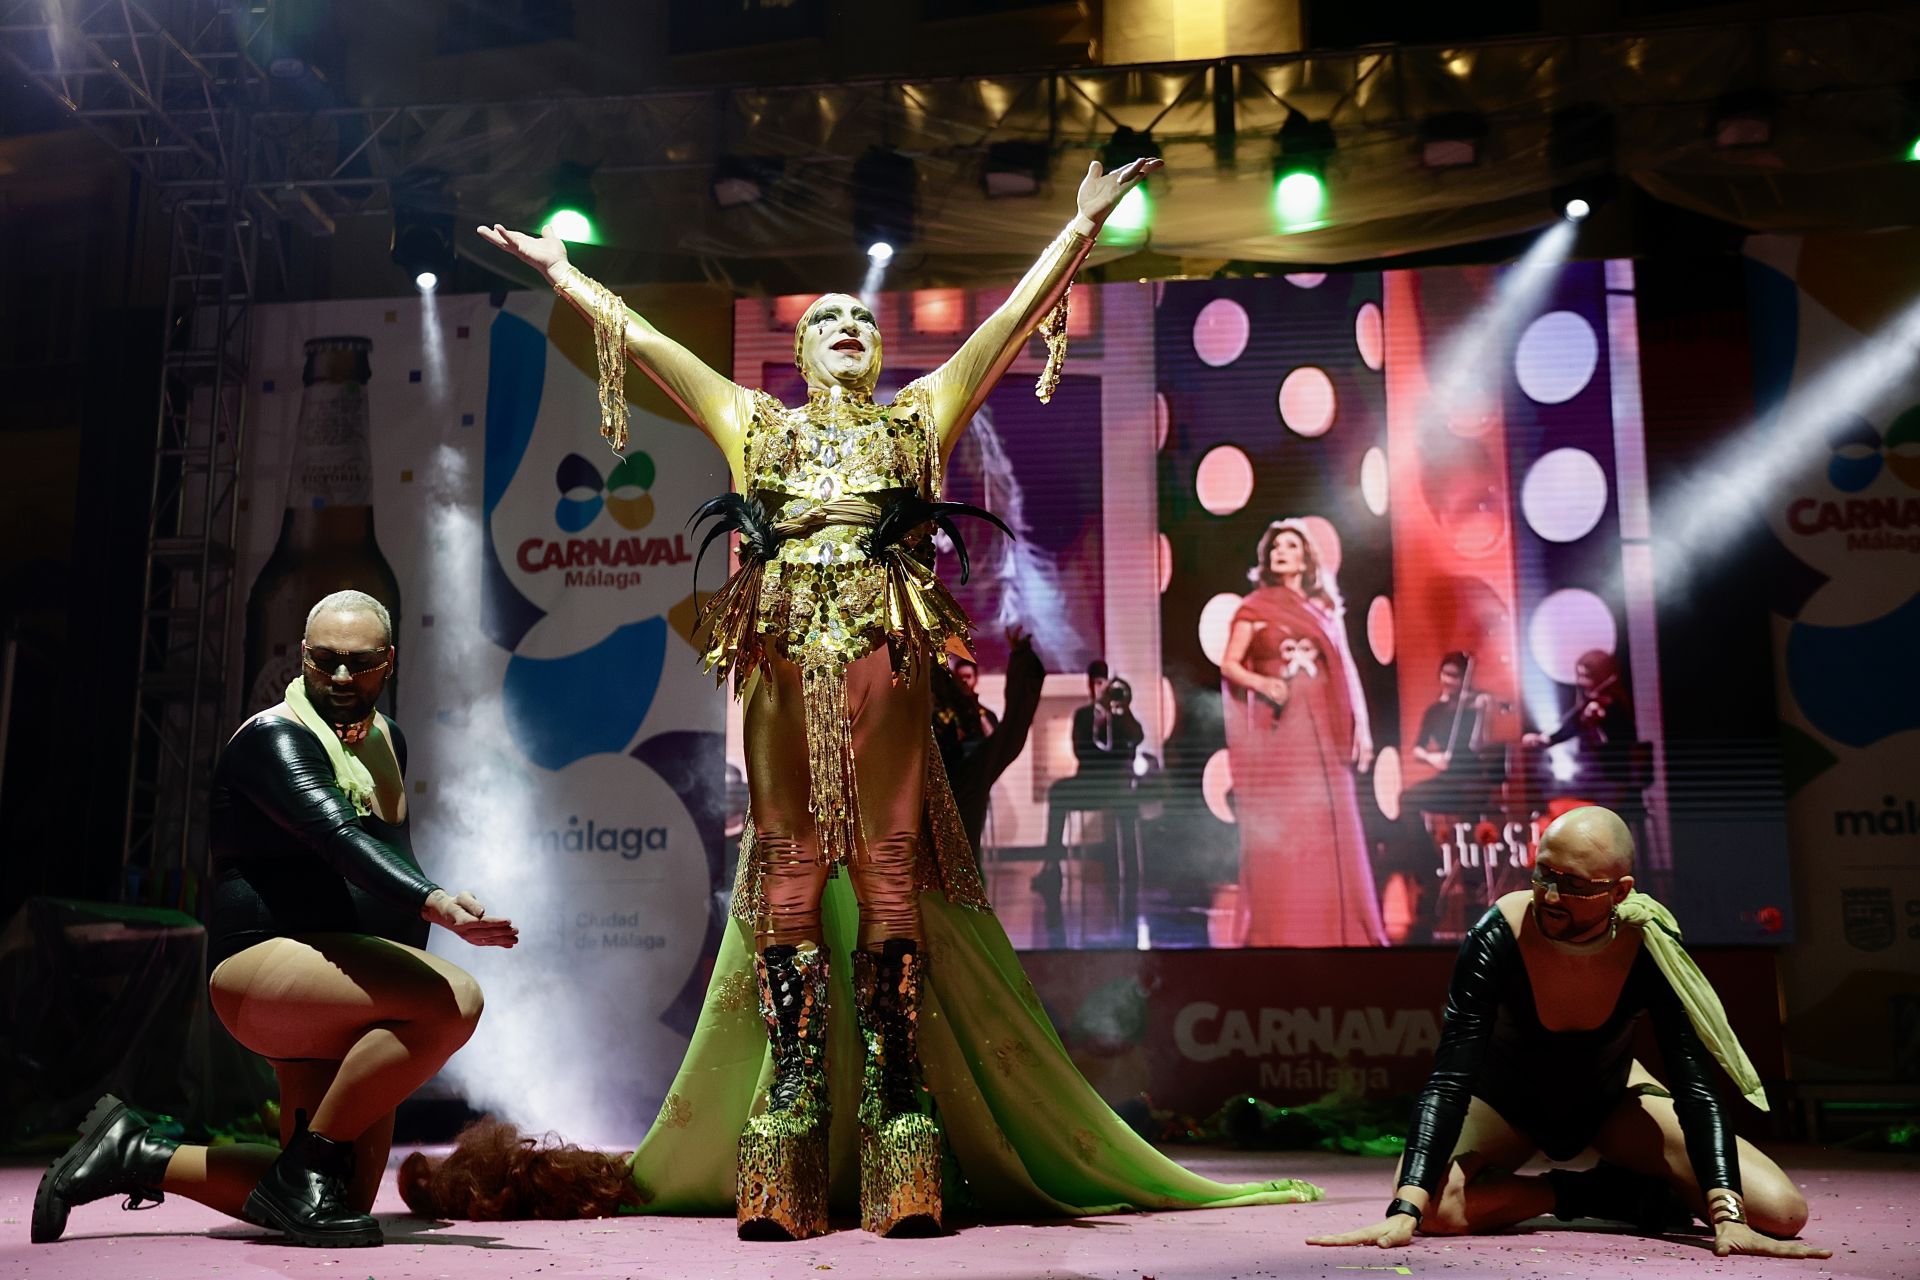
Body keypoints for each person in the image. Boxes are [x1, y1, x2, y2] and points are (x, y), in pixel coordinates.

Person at [479, 156, 1321, 1241]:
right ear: (796, 349)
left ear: (880, 354)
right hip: (781, 643)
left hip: (885, 640)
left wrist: (1076, 232)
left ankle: (897, 1101)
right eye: (824, 318)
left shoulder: (919, 416)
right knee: (787, 861)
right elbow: (651, 347)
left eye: (860, 323)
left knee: (886, 862)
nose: (843, 326)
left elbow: (1012, 323)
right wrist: (567, 277)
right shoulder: (756, 423)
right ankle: (788, 1098)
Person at [31, 591, 517, 1249]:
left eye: (359, 662)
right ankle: (308, 1162)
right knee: (455, 1000)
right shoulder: (272, 739)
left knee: (337, 1200)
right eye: (325, 661)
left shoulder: (387, 741)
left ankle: (138, 1154)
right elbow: (338, 835)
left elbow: (389, 855)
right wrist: (434, 901)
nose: (341, 678)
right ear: (303, 659)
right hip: (266, 970)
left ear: (389, 663)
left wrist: (420, 918)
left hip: (350, 987)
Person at [1306, 806, 1829, 1261]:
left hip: (1611, 1101)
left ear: (1620, 890)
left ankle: (1645, 1191)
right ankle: (1604, 1196)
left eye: (1574, 885)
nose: (1551, 895)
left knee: (1782, 1213)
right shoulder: (1498, 932)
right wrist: (1404, 1210)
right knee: (1432, 1210)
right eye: (1543, 874)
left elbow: (1693, 1083)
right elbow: (1449, 1078)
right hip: (1503, 1106)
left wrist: (1728, 1215)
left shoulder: (1650, 943)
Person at [1218, 519, 1386, 947]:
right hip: (1283, 733)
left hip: (1326, 732)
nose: (1281, 552)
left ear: (1305, 557)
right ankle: (1287, 925)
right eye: (1276, 546)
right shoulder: (1255, 607)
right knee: (1292, 826)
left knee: (1329, 826)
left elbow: (1346, 670)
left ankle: (1338, 926)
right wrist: (1263, 684)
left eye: (1291, 546)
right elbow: (1229, 664)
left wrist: (1361, 729)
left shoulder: (1324, 609)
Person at [1032, 660, 1144, 898]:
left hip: (1116, 785)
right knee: (1057, 792)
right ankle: (1051, 868)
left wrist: (1122, 712)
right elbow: (1080, 753)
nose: (1101, 689)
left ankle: (1132, 872)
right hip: (1090, 783)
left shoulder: (1123, 716)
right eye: (1097, 684)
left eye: (1105, 683)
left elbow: (1138, 737)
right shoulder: (1083, 716)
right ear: (1090, 686)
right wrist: (1099, 725)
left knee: (1128, 801)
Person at [934, 627, 1044, 860]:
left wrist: (1021, 657)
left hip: (967, 774)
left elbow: (1004, 733)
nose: (964, 682)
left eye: (969, 678)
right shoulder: (937, 691)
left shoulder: (976, 711)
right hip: (938, 776)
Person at [1522, 649, 1639, 810]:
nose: (1582, 682)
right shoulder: (1592, 700)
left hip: (1611, 778)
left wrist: (1599, 715)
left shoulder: (1610, 700)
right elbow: (1574, 721)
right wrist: (1548, 739)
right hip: (1597, 776)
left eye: (1587, 677)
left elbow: (1614, 727)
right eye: (1580, 676)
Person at [1403, 651, 1496, 816]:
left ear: (1463, 680)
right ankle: (1423, 843)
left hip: (1473, 778)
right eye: (1446, 674)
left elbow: (1479, 744)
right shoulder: (1434, 711)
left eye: (1455, 676)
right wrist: (1432, 758)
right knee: (1407, 799)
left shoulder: (1474, 706)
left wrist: (1483, 715)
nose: (1449, 681)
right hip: (1448, 779)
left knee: (1473, 802)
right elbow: (1417, 749)